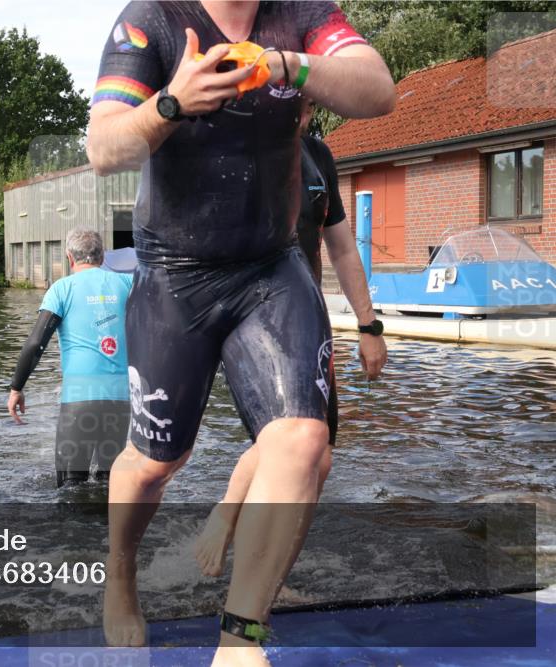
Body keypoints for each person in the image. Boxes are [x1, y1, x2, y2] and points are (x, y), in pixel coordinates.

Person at [85, 2, 395, 664]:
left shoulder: (301, 12)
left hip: (270, 267)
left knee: (304, 441)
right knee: (156, 463)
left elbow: (378, 89)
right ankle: (120, 569)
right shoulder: (153, 19)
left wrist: (286, 65)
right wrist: (171, 103)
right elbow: (104, 148)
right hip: (176, 272)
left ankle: (239, 639)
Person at [193, 99, 388, 580]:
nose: (303, 116)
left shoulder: (319, 156)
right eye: (294, 106)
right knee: (288, 440)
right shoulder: (236, 149)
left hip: (307, 321)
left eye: (309, 107)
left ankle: (271, 578)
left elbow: (342, 248)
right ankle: (228, 514)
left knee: (319, 459)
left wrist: (369, 327)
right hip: (251, 318)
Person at [7, 227, 133, 488]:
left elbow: (36, 344)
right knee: (110, 482)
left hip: (79, 398)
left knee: (70, 484)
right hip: (119, 398)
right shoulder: (127, 283)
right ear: (102, 256)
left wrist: (16, 388)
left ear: (69, 257)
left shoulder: (61, 289)